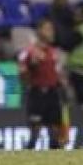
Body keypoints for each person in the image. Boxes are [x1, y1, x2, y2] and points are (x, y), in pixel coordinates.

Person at [18, 18, 66, 150]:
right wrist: (31, 66)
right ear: (39, 31)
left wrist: (61, 83)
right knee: (35, 131)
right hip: (37, 93)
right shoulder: (29, 51)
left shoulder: (54, 52)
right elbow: (22, 73)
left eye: (52, 29)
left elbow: (58, 74)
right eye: (48, 29)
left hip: (52, 93)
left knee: (55, 131)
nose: (51, 32)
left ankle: (56, 161)